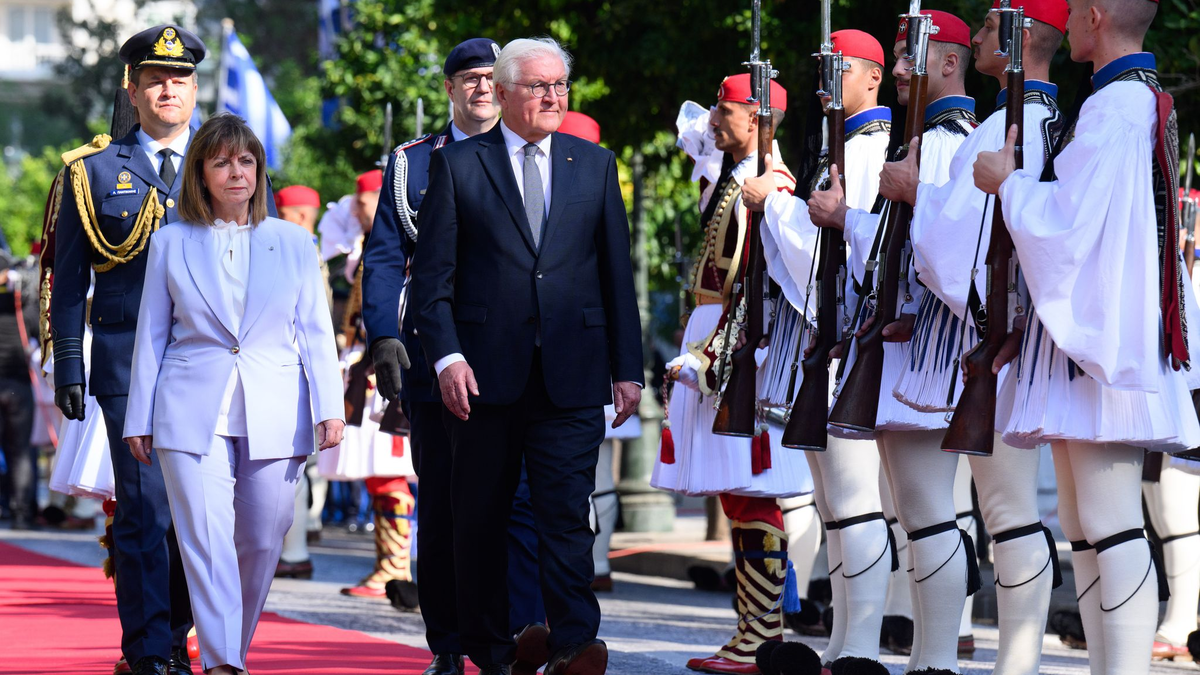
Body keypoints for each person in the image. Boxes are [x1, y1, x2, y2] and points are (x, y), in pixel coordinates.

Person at [976, 2, 1200, 673]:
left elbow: (1068, 225)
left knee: (1110, 521)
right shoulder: (1124, 101)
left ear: (1097, 17)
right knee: (1086, 526)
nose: (1067, 21)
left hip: (1107, 342)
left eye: (1074, 11)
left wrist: (1006, 182)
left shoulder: (1116, 108)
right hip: (1099, 336)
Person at [411, 36, 644, 675]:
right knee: (479, 518)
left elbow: (615, 275)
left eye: (560, 86)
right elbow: (432, 284)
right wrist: (447, 359)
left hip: (572, 373)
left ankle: (574, 642)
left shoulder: (594, 164)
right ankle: (488, 648)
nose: (551, 97)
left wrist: (628, 367)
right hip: (483, 377)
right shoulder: (459, 166)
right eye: (538, 86)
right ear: (506, 92)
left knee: (567, 512)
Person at [866, 2, 1069, 672]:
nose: (981, 37)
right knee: (953, 515)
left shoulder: (1022, 123)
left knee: (1009, 515)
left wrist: (910, 193)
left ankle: (1013, 663)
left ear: (1017, 38)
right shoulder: (1004, 120)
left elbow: (968, 250)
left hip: (995, 342)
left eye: (988, 28)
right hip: (970, 336)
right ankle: (934, 660)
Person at [122, 113, 344, 675]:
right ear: (201, 173)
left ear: (259, 171)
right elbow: (150, 333)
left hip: (275, 409)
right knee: (205, 541)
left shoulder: (295, 242)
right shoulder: (170, 241)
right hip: (187, 410)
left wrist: (330, 407)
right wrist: (137, 418)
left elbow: (317, 331)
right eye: (221, 162)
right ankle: (225, 664)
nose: (236, 172)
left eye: (246, 161)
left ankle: (229, 650)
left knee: (262, 541)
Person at [363, 37, 550, 675]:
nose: (478, 88)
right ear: (449, 89)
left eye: (489, 78)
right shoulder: (411, 163)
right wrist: (382, 333)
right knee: (444, 503)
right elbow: (386, 254)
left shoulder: (533, 155)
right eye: (467, 78)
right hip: (434, 351)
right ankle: (448, 641)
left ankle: (521, 633)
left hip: (513, 353)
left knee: (519, 502)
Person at [804, 11, 979, 672]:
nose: (902, 72)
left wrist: (843, 216)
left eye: (913, 58)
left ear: (949, 62)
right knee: (916, 508)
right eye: (899, 58)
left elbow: (924, 254)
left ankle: (936, 660)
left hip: (931, 345)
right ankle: (923, 659)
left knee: (929, 509)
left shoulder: (941, 141)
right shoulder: (934, 138)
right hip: (914, 341)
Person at [49, 25, 224, 675]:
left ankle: (177, 633)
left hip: (213, 367)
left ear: (194, 88)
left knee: (198, 515)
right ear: (133, 87)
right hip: (129, 367)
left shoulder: (229, 163)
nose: (167, 89)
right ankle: (150, 650)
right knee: (146, 511)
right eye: (154, 78)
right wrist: (70, 359)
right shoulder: (92, 172)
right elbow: (68, 278)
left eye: (179, 79)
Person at [741, 28, 898, 668]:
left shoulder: (868, 151)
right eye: (823, 70)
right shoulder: (843, 150)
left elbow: (836, 259)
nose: (825, 82)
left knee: (855, 503)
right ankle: (842, 640)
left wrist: (777, 205)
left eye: (842, 69)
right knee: (834, 504)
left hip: (851, 344)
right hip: (827, 345)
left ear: (873, 78)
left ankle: (860, 642)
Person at [653, 70, 814, 674]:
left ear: (757, 118)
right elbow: (693, 135)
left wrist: (715, 351)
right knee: (736, 495)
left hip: (744, 345)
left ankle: (763, 634)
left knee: (752, 495)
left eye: (726, 112)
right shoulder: (734, 177)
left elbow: (757, 284)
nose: (712, 122)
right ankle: (753, 630)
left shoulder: (766, 187)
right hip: (719, 337)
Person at [274, 184, 324, 581]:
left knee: (292, 466)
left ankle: (294, 549)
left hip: (297, 366)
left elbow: (312, 323)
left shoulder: (303, 248)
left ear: (302, 216)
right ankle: (291, 548)